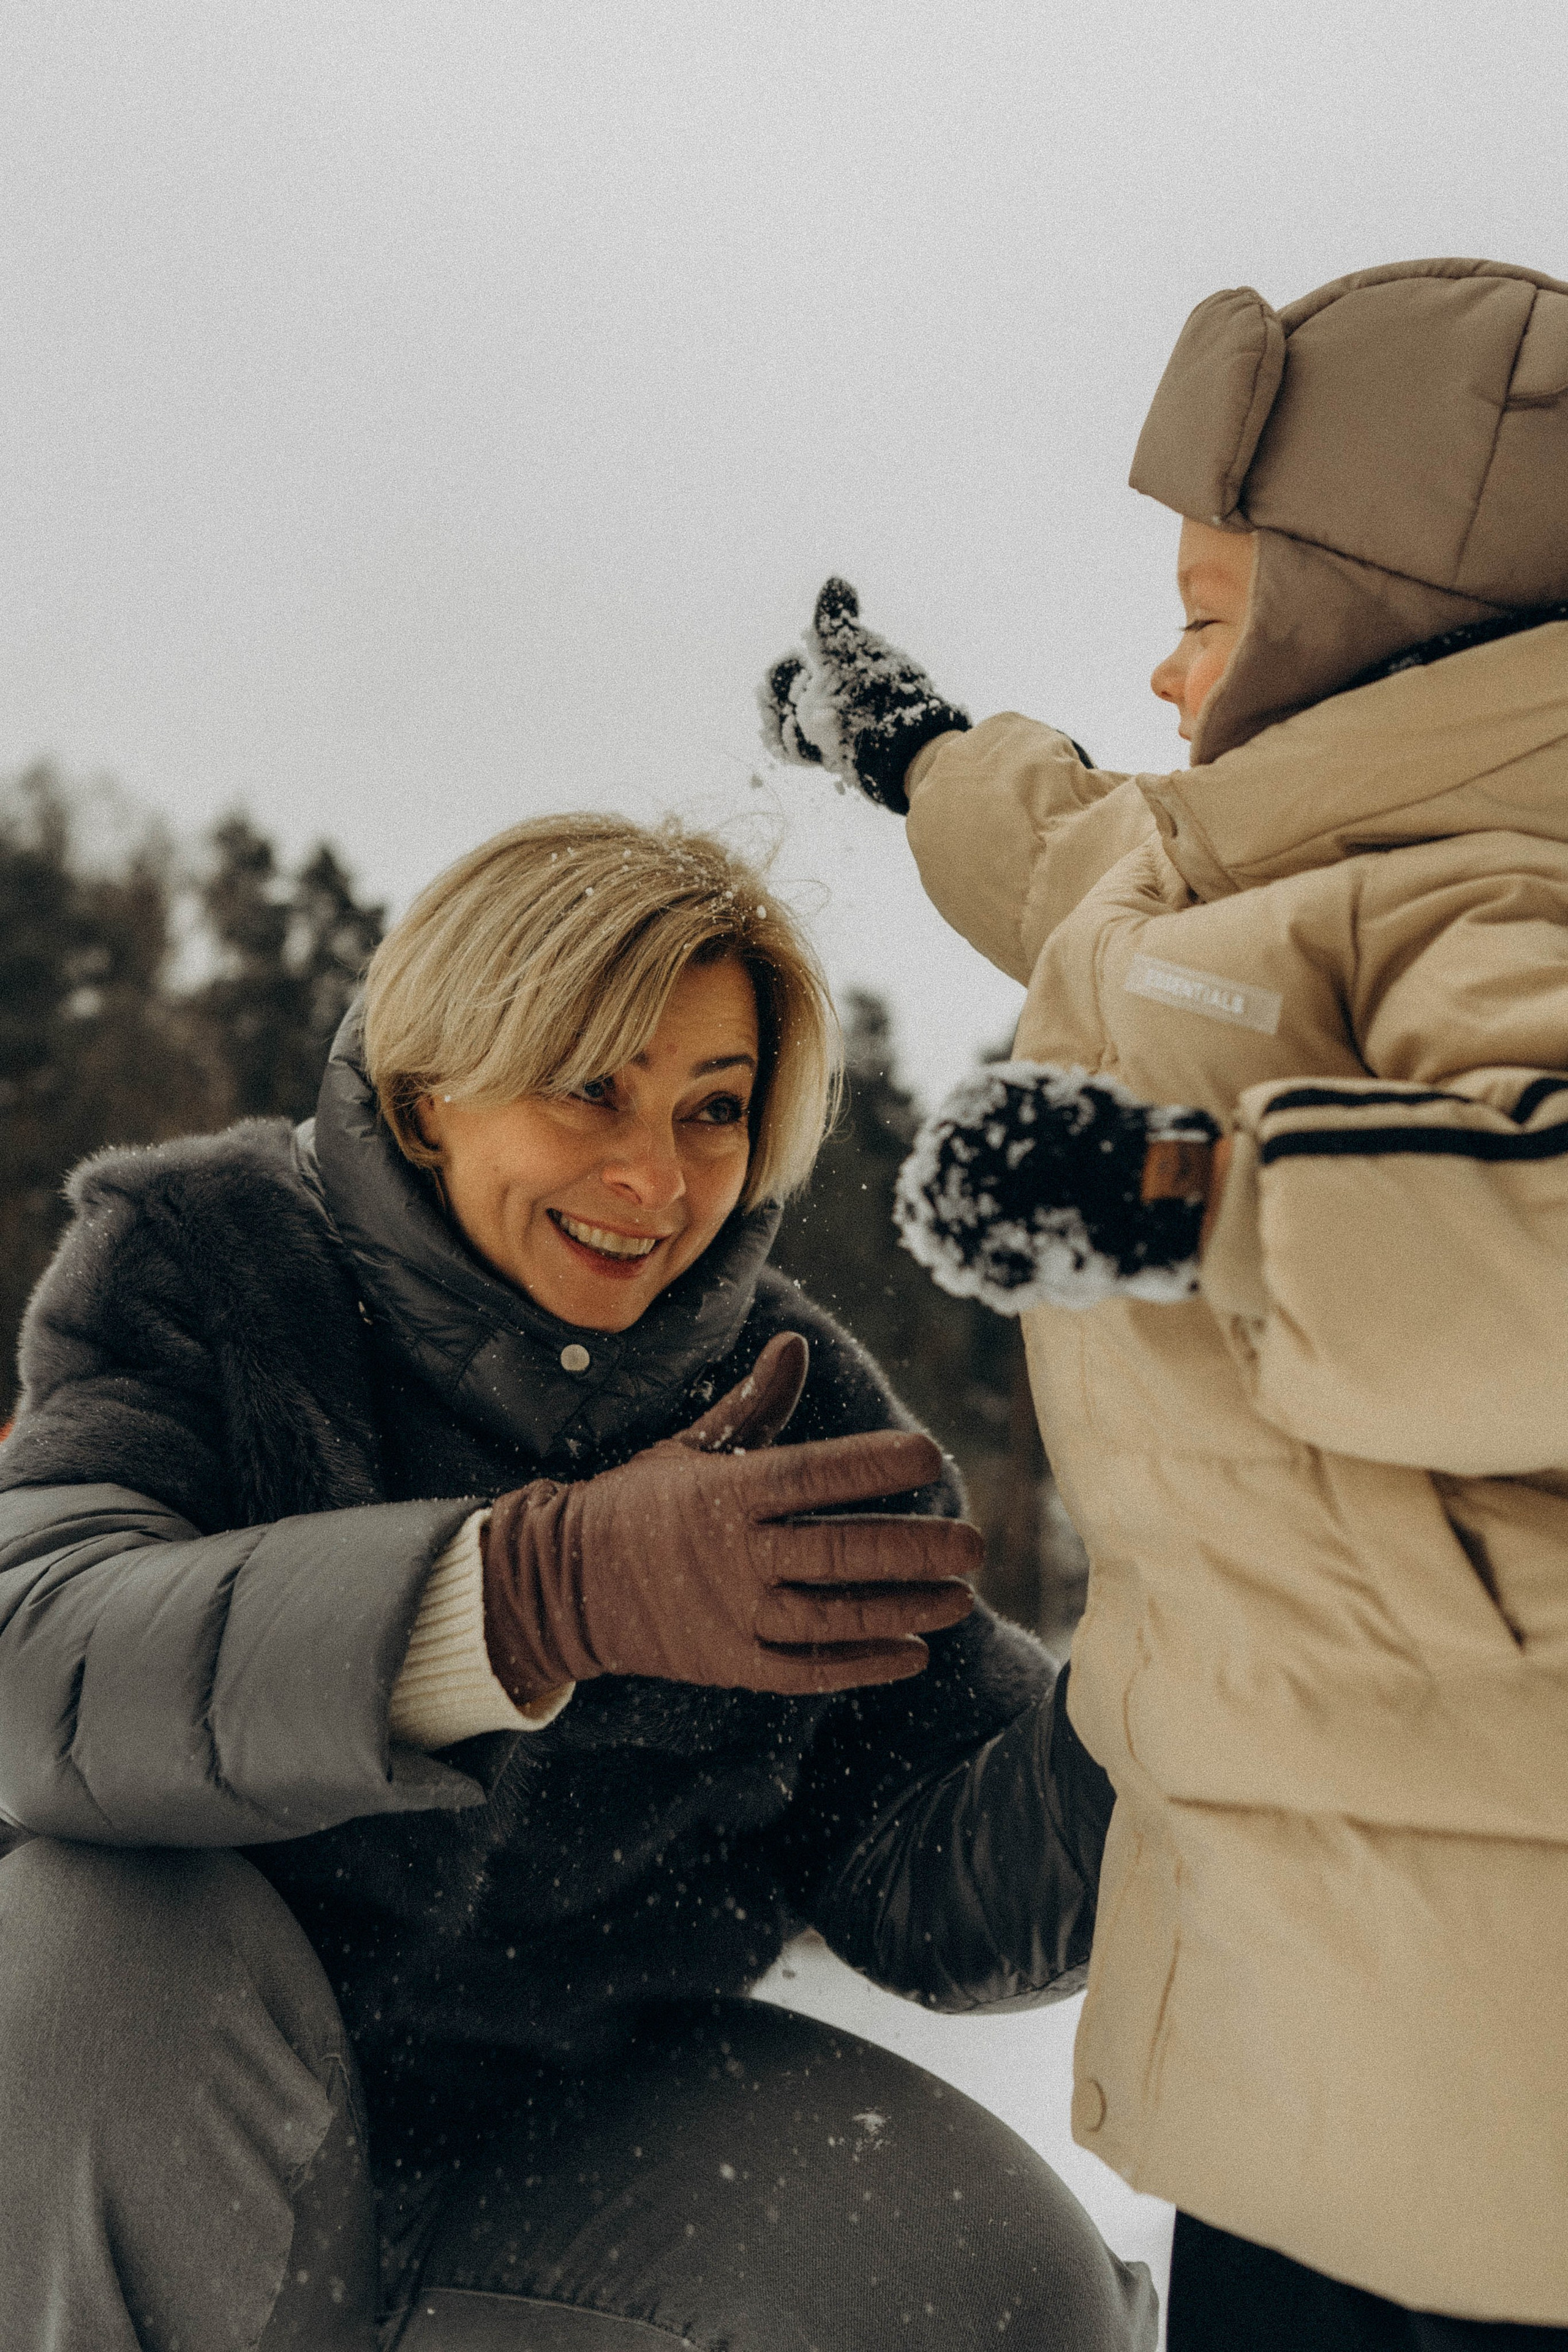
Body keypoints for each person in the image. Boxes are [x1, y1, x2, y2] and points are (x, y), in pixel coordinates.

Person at [0, 810, 1156, 2351]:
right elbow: (40, 1666)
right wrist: (531, 1595)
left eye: (712, 1109)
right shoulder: (205, 1262)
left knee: (998, 2285)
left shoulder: (786, 1397)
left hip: (540, 2118)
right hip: (144, 2129)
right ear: (430, 1088)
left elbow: (926, 1859)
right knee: (103, 1923)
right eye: (589, 1089)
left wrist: (1167, 1698)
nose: (653, 1176)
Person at [760, 256, 1568, 2348]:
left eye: (1210, 616)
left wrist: (1182, 1196)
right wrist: (911, 746)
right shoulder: (1234, 868)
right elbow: (1061, 856)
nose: (1163, 666)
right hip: (1312, 1922)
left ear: (1365, 618)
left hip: (1506, 1977)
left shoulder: (1507, 894)